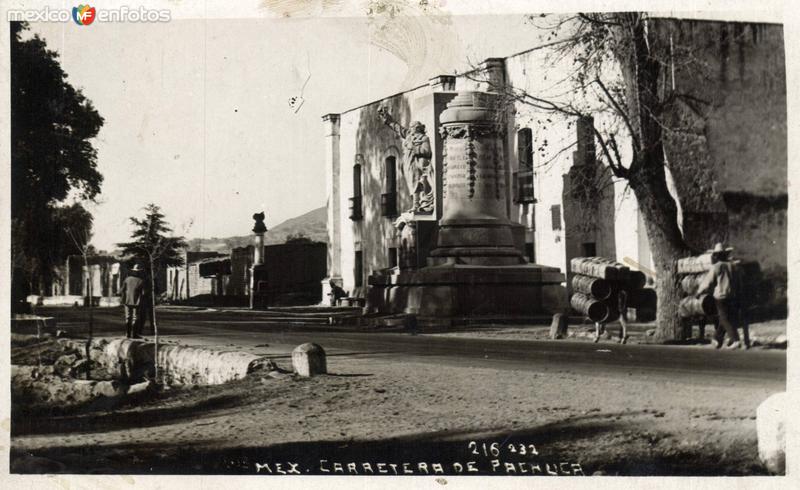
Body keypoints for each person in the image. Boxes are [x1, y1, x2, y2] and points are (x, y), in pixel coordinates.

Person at [697, 243, 744, 350]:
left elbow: (707, 282)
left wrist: (699, 292)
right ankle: (717, 339)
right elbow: (738, 281)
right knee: (725, 317)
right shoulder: (732, 266)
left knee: (724, 317)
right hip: (731, 296)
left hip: (720, 296)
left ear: (716, 256)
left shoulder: (716, 267)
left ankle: (735, 339)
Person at [120, 264, 145, 339]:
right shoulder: (141, 281)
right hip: (136, 302)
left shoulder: (127, 279)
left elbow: (122, 290)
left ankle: (127, 334)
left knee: (128, 317)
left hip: (127, 301)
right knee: (135, 317)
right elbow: (143, 293)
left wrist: (123, 298)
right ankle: (134, 334)